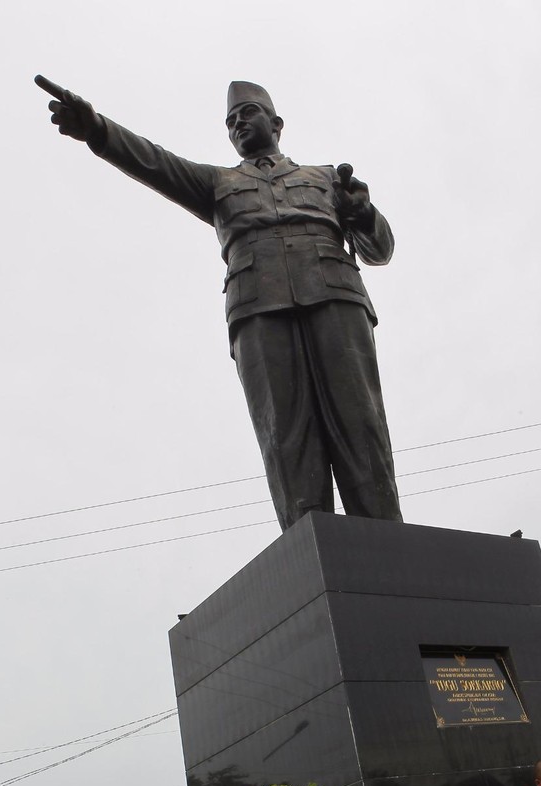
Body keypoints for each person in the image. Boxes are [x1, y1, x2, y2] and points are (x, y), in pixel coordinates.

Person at [35, 76, 403, 533]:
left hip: (334, 295)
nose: (237, 124)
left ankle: (391, 545)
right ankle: (313, 550)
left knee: (360, 422)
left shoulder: (327, 178)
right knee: (286, 437)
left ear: (277, 123)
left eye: (246, 113)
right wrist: (97, 129)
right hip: (258, 307)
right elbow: (155, 162)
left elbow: (379, 250)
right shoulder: (217, 183)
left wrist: (363, 213)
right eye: (230, 121)